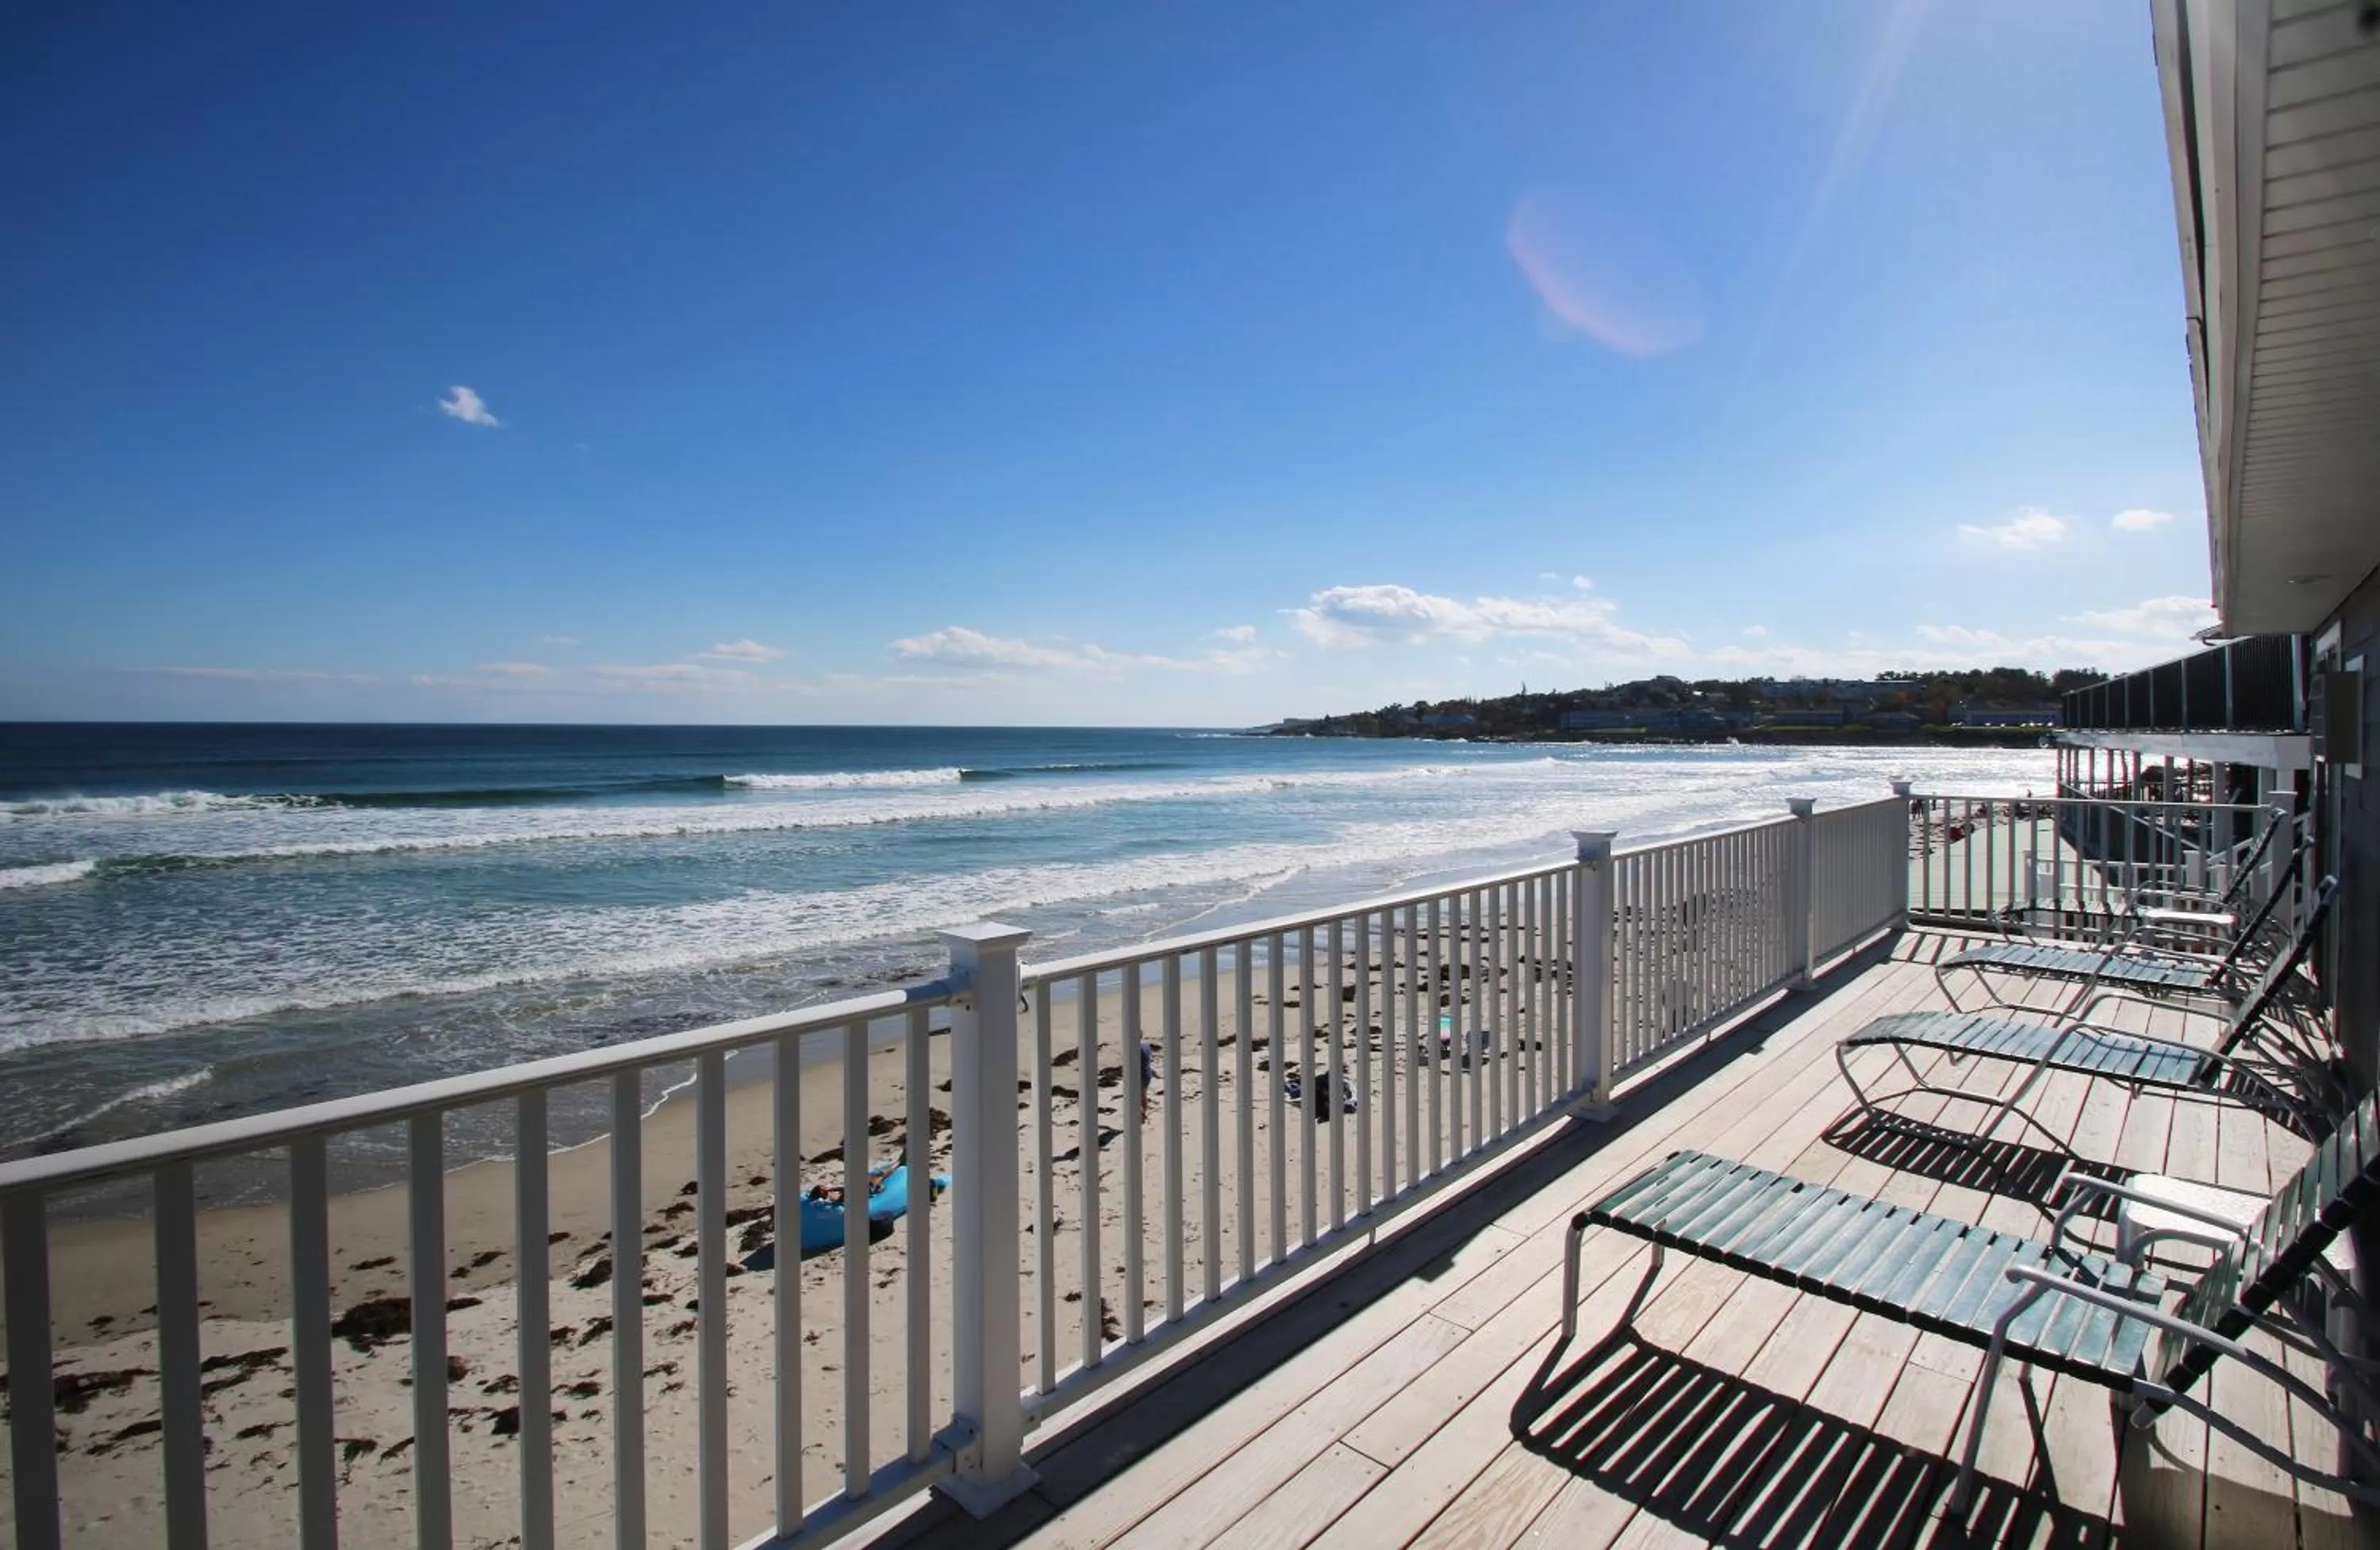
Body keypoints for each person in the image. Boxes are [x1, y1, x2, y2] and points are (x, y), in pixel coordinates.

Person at [1138, 1039, 1157, 1120]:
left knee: (1136, 1097)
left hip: (1140, 1075)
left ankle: (1141, 1115)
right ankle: (1144, 1113)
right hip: (1147, 1073)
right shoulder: (1146, 1045)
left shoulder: (1134, 1048)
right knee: (1143, 1095)